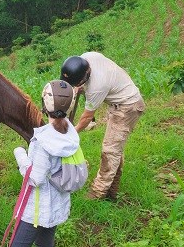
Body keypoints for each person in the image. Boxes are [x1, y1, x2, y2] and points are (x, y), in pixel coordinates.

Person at [9, 79, 81, 247]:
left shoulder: (42, 141)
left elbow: (35, 178)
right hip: (56, 204)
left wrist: (20, 154)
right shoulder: (70, 133)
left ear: (45, 103)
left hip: (37, 208)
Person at [61, 53, 145, 201]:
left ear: (85, 78)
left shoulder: (97, 87)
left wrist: (72, 132)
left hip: (128, 107)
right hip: (119, 102)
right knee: (115, 150)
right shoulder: (87, 58)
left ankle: (98, 192)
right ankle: (112, 190)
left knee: (110, 151)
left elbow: (86, 117)